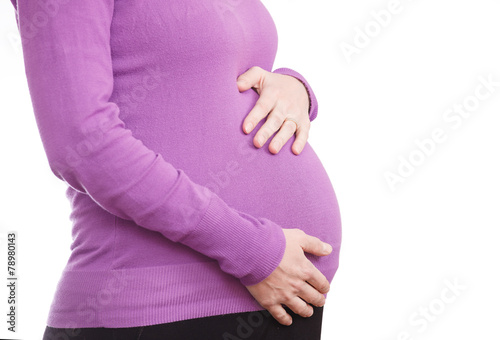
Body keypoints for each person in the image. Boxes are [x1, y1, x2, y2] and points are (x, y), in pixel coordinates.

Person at [9, 1, 342, 339]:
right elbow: (83, 147)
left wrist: (293, 87)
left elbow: (208, 81)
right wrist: (249, 248)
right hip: (158, 306)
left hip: (282, 293)